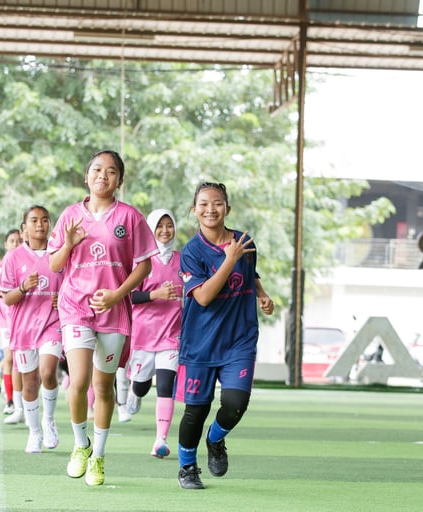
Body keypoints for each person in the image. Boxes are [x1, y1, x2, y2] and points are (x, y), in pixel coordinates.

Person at [48, 150, 158, 486]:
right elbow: (54, 265)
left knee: (103, 386)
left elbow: (144, 265)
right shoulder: (70, 215)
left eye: (111, 171)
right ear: (87, 176)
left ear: (119, 180)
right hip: (75, 307)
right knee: (79, 381)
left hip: (113, 309)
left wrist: (116, 294)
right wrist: (68, 245)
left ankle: (98, 455)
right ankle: (80, 445)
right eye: (97, 169)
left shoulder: (130, 217)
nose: (102, 176)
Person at [175, 182, 274, 490]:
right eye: (203, 204)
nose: (211, 209)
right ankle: (187, 468)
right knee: (196, 410)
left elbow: (250, 273)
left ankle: (215, 439)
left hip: (239, 340)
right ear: (194, 210)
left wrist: (262, 294)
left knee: (235, 403)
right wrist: (228, 260)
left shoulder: (245, 243)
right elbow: (203, 297)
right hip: (201, 343)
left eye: (217, 203)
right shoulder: (191, 252)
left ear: (227, 208)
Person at [1, 206, 64, 453]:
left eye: (45, 220)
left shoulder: (59, 254)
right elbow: (7, 299)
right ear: (24, 228)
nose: (40, 225)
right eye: (34, 220)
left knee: (48, 372)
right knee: (29, 384)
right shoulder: (13, 258)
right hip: (25, 329)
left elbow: (71, 285)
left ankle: (48, 421)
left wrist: (62, 298)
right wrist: (23, 287)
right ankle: (34, 432)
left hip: (52, 323)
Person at [125, 208, 183, 458]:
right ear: (150, 230)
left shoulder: (183, 260)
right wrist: (155, 294)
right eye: (159, 226)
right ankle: (135, 391)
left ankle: (161, 440)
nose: (165, 231)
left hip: (172, 334)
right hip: (144, 336)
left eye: (169, 225)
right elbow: (128, 296)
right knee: (142, 386)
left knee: (166, 385)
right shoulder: (142, 262)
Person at [0, 228, 23, 414]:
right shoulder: (1, 266)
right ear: (6, 244)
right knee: (9, 358)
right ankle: (10, 400)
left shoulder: (26, 261)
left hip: (21, 318)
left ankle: (22, 401)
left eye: (19, 241)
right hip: (5, 318)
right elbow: (1, 291)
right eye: (12, 241)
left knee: (21, 361)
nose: (15, 244)